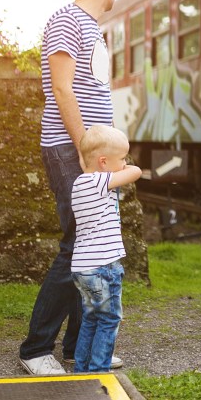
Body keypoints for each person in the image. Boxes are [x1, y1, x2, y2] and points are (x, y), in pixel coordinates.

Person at [19, 0, 120, 376]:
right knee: (78, 246)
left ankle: (79, 349)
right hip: (69, 149)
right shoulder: (67, 19)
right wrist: (82, 146)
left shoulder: (93, 28)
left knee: (95, 247)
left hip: (94, 153)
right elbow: (61, 89)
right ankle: (35, 348)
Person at [70, 125, 142, 373]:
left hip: (82, 267)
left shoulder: (80, 183)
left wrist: (118, 163)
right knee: (109, 319)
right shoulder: (100, 181)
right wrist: (127, 167)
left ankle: (82, 368)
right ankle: (98, 371)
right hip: (103, 267)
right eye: (121, 158)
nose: (124, 163)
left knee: (91, 318)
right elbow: (136, 172)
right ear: (103, 162)